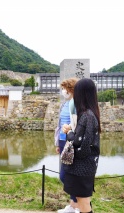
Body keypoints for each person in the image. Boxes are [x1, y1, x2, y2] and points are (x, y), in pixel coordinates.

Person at [62, 78, 101, 213]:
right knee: (83, 202)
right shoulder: (87, 114)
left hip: (82, 167)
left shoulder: (87, 116)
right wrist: (73, 134)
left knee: (84, 204)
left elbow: (83, 147)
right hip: (83, 167)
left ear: (82, 94)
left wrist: (69, 134)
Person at [54, 77, 79, 213]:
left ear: (72, 89)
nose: (64, 91)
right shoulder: (65, 104)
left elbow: (78, 124)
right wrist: (58, 142)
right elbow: (59, 125)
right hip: (64, 141)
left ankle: (78, 204)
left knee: (67, 175)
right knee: (66, 175)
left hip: (72, 142)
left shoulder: (77, 104)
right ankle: (73, 205)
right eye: (62, 89)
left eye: (65, 89)